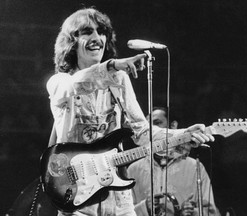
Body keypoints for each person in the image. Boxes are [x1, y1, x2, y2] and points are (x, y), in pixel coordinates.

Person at [46, 7, 215, 216]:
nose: (97, 38)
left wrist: (182, 135)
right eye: (87, 32)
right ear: (71, 42)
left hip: (117, 196)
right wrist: (112, 66)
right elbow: (77, 85)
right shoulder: (59, 82)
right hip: (77, 195)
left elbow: (142, 132)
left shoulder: (119, 80)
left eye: (101, 32)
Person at [127, 107, 220, 216]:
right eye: (147, 127)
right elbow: (120, 211)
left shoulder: (194, 166)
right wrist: (144, 207)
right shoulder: (134, 169)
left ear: (173, 125)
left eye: (157, 123)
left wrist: (192, 212)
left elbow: (212, 212)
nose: (152, 131)